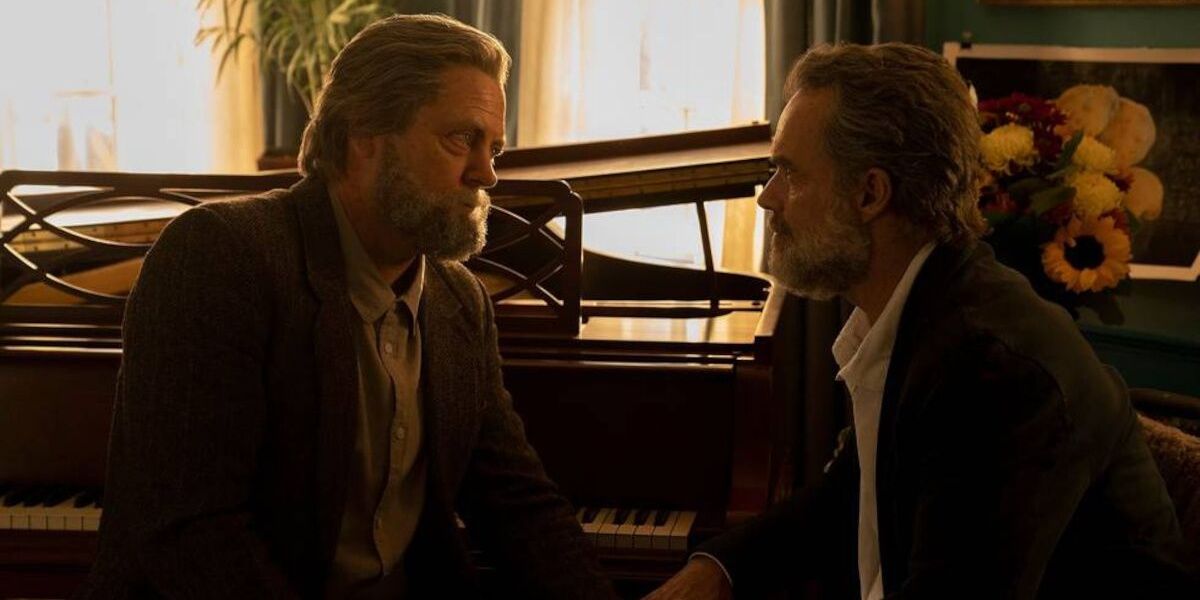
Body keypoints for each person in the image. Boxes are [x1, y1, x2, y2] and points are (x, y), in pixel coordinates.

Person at [78, 14, 614, 599]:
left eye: (495, 148)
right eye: (461, 139)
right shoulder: (220, 256)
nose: (485, 174)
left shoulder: (461, 301)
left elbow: (519, 505)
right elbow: (194, 533)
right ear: (365, 137)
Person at [647, 43, 1196, 599]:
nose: (768, 199)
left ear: (870, 194)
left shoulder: (995, 370)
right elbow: (852, 495)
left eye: (788, 173)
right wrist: (716, 570)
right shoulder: (925, 309)